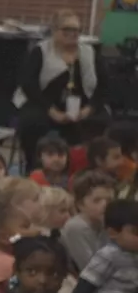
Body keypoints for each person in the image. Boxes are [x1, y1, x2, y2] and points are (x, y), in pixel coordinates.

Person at [15, 9, 110, 171]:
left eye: (77, 30)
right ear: (54, 30)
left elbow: (104, 85)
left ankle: (88, 169)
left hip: (82, 106)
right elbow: (29, 85)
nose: (73, 34)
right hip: (43, 104)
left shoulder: (89, 53)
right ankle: (35, 168)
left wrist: (88, 109)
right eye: (67, 29)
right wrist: (52, 112)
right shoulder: (40, 51)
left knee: (100, 120)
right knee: (32, 122)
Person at [61, 171, 115, 273]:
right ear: (80, 204)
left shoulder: (105, 223)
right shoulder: (76, 227)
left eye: (109, 200)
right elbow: (91, 269)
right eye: (97, 200)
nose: (105, 205)